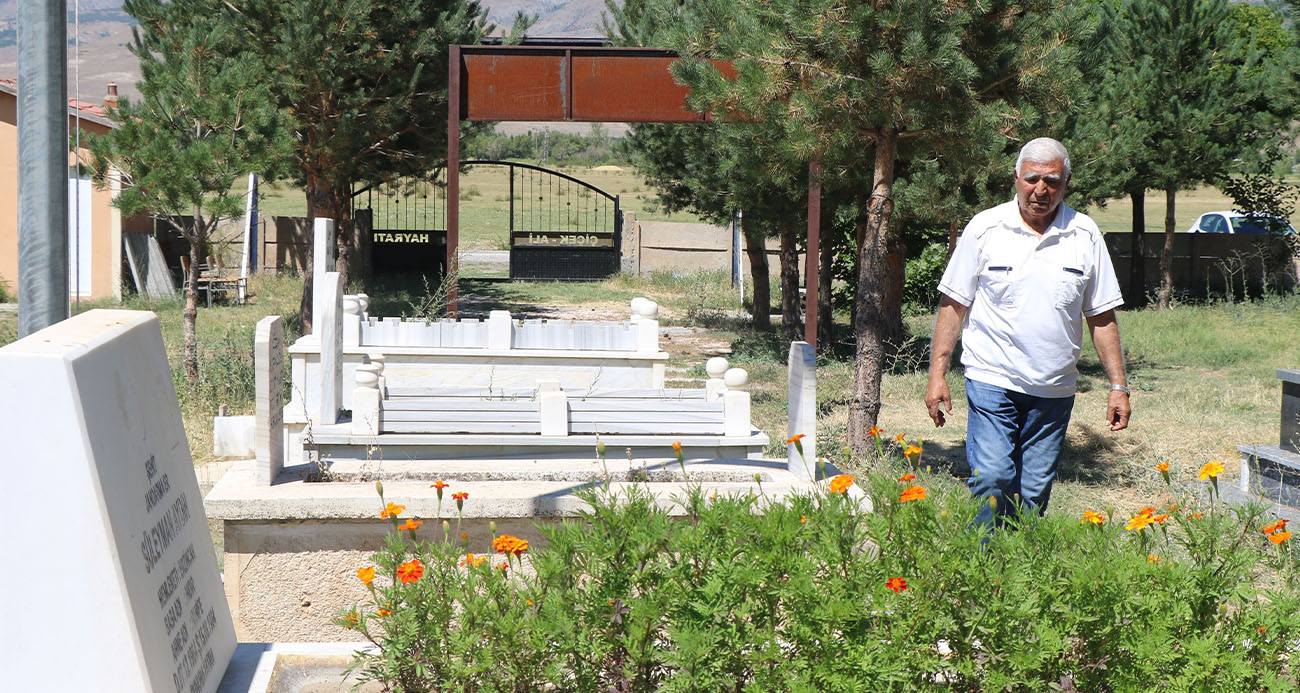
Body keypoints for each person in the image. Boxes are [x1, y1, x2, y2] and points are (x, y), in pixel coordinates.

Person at [924, 137, 1131, 526]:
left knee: (1033, 494)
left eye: (1052, 181)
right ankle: (980, 565)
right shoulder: (985, 228)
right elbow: (953, 306)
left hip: (1053, 389)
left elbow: (1101, 316)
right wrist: (937, 374)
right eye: (1033, 179)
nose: (1041, 190)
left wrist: (1118, 386)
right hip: (991, 378)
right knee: (993, 478)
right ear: (1016, 178)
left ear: (1066, 182)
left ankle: (1016, 568)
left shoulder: (1084, 234)